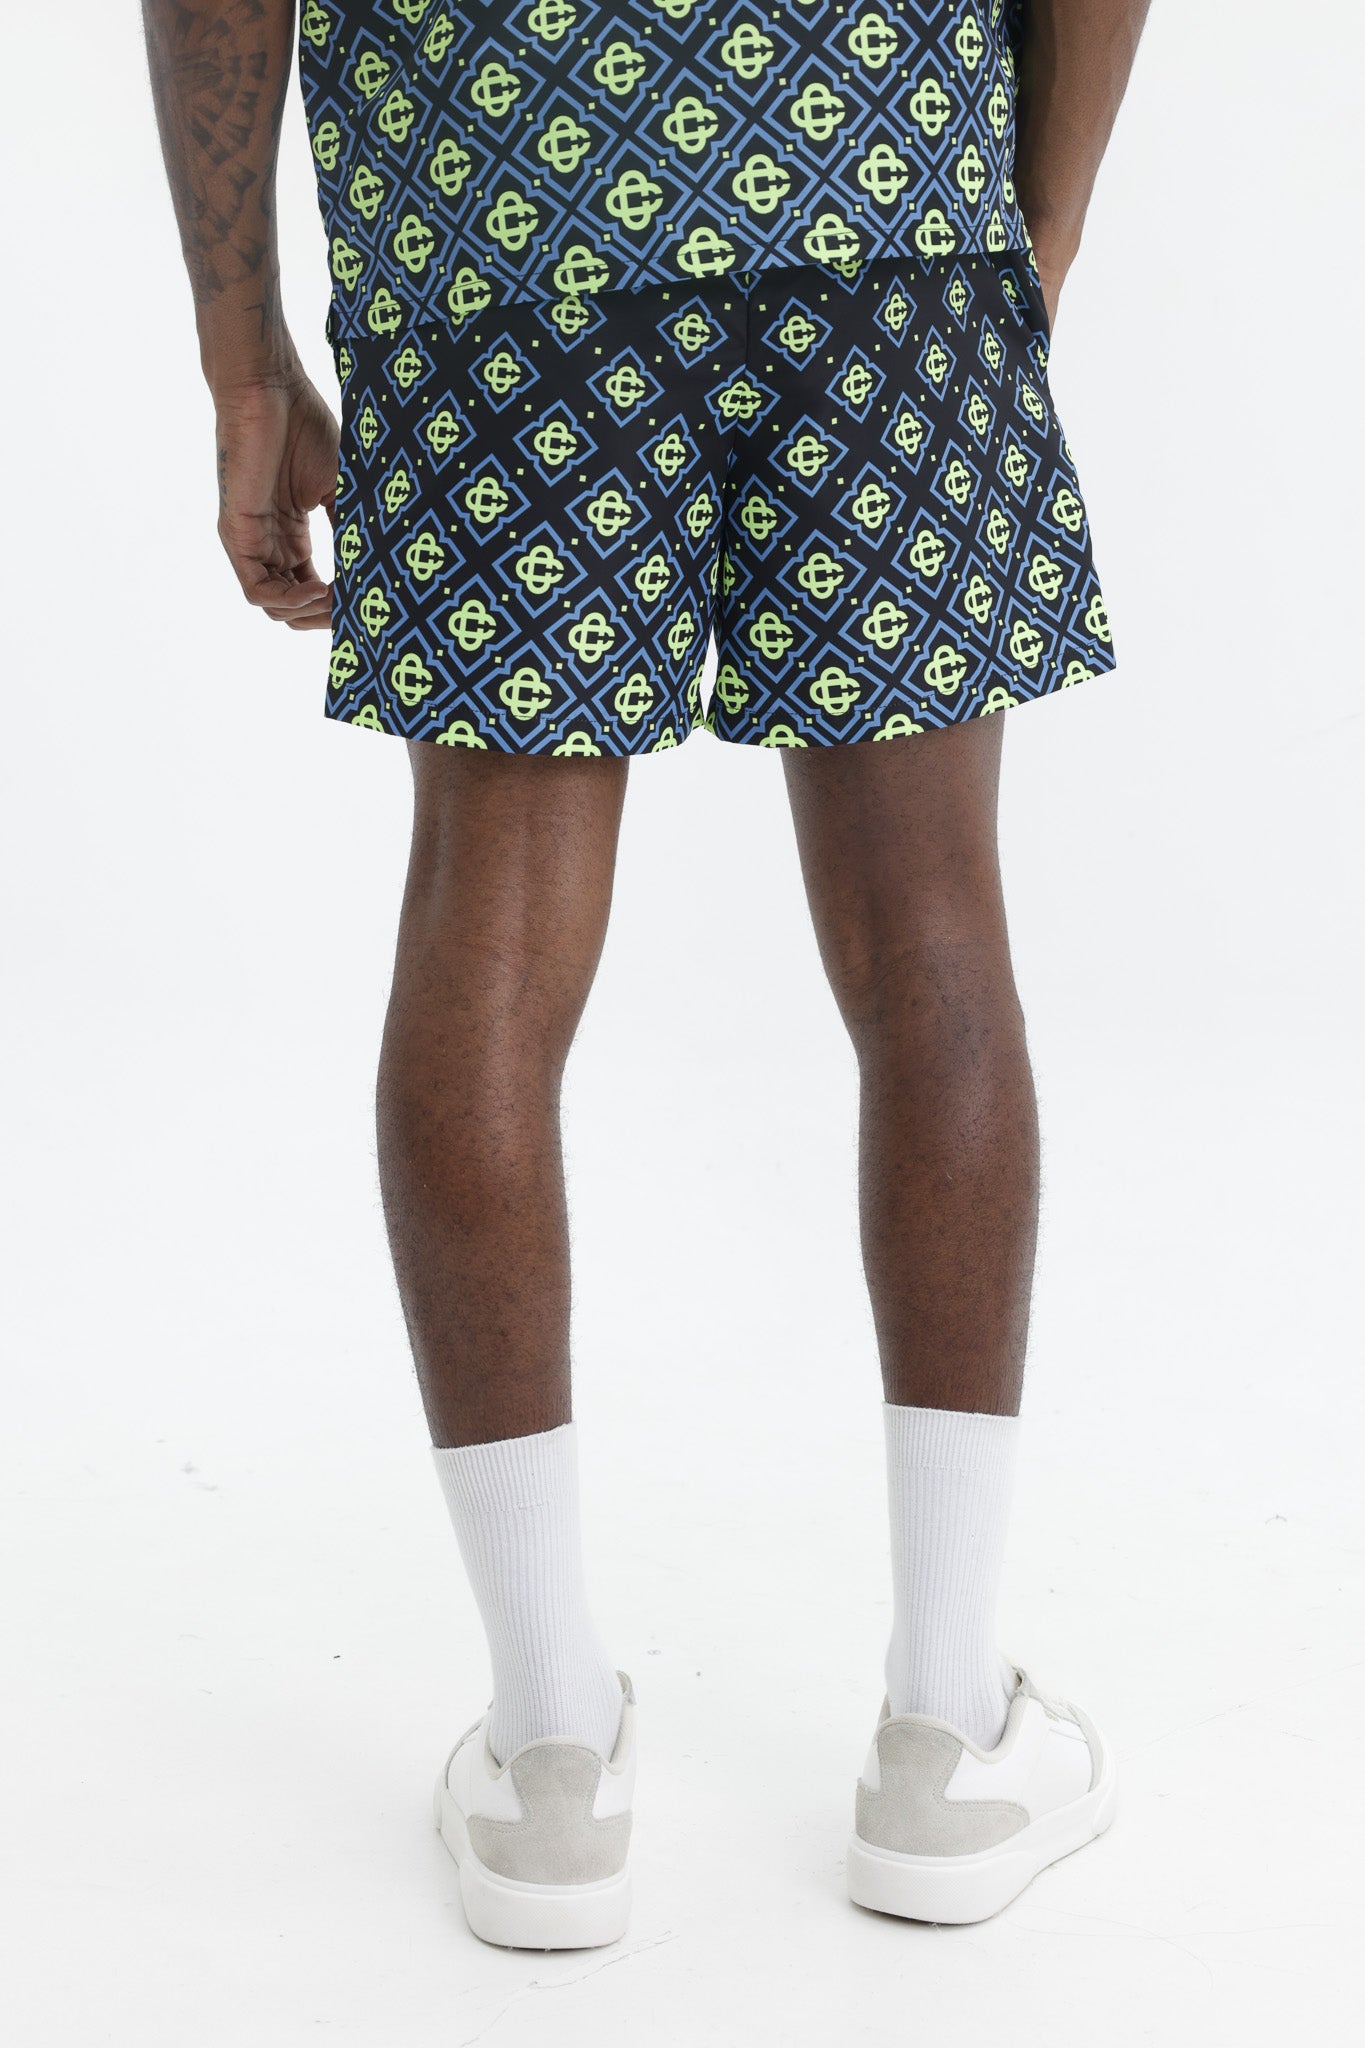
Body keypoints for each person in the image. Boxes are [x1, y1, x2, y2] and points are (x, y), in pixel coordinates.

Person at [142, 0, 1149, 1948]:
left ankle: (546, 1762)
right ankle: (946, 1732)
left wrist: (240, 348)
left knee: (491, 938)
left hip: (495, 212)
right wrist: (1033, 213)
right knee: (929, 925)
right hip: (879, 173)